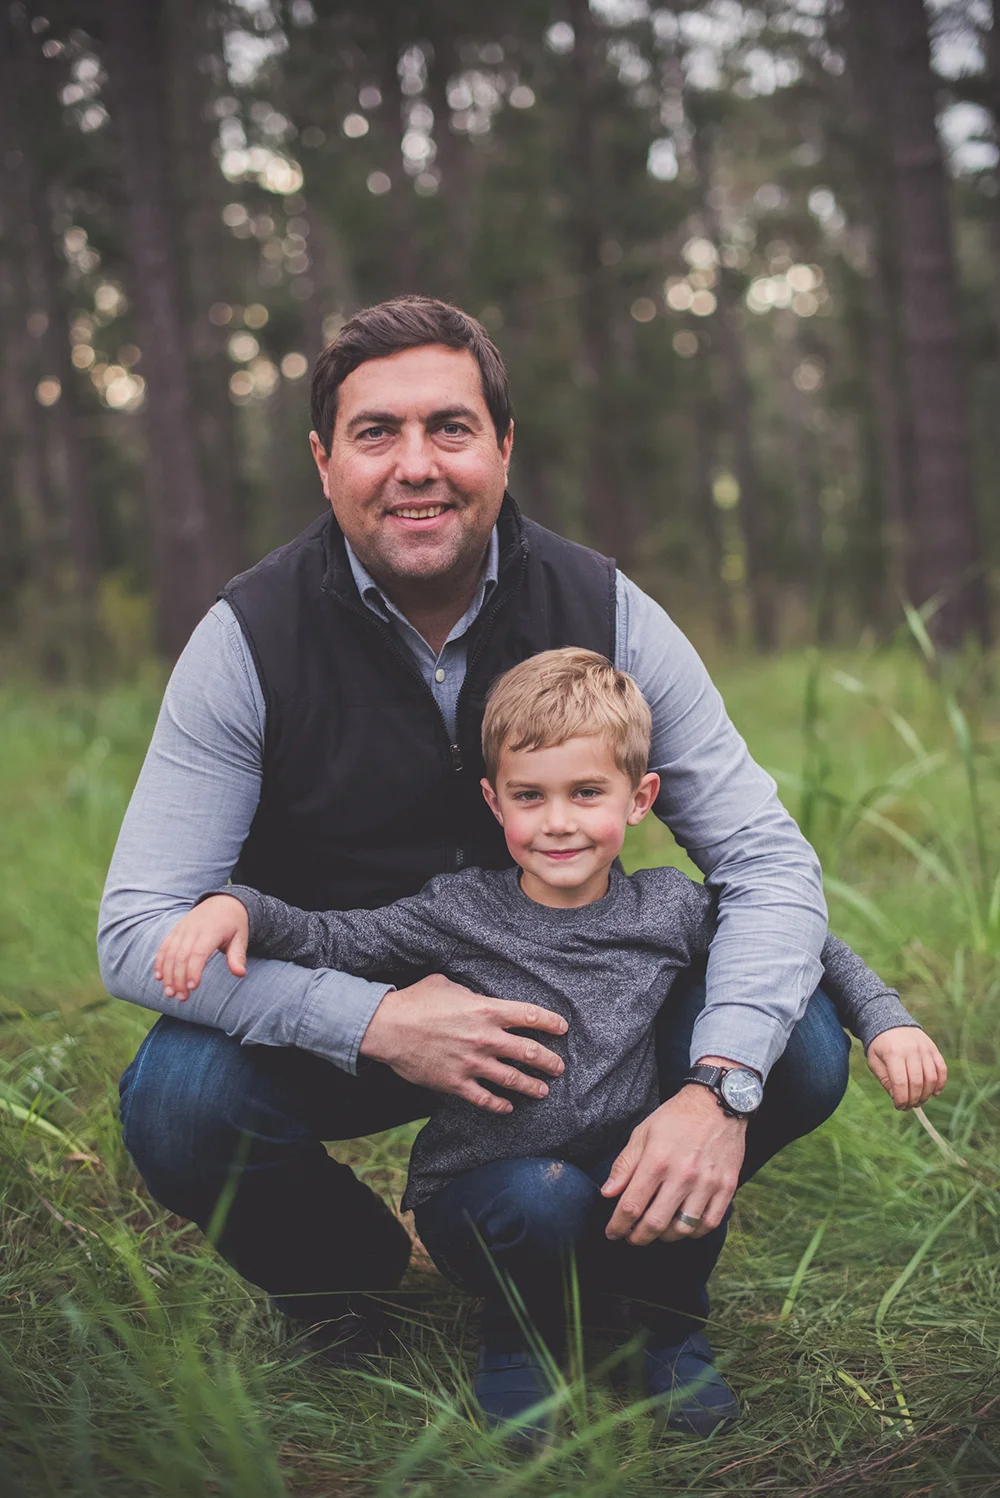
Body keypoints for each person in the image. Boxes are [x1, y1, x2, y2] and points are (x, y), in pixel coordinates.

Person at [100, 295, 859, 1422]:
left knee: (794, 1043)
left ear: (504, 447)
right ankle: (349, 1278)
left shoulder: (609, 610)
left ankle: (630, 1276)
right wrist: (372, 1020)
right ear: (323, 462)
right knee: (179, 1100)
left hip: (586, 1017)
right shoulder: (247, 639)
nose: (416, 464)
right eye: (376, 432)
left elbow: (766, 862)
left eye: (450, 428)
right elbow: (135, 932)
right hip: (345, 1001)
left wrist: (718, 1085)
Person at [153, 649, 945, 1441]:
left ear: (640, 799)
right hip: (486, 1196)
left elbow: (804, 940)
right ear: (494, 802)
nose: (558, 821)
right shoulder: (459, 910)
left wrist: (886, 1018)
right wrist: (241, 908)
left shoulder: (667, 907)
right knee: (542, 1196)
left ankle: (667, 1329)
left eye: (586, 793)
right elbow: (338, 938)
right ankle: (519, 1340)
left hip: (624, 1172)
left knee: (683, 1167)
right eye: (530, 796)